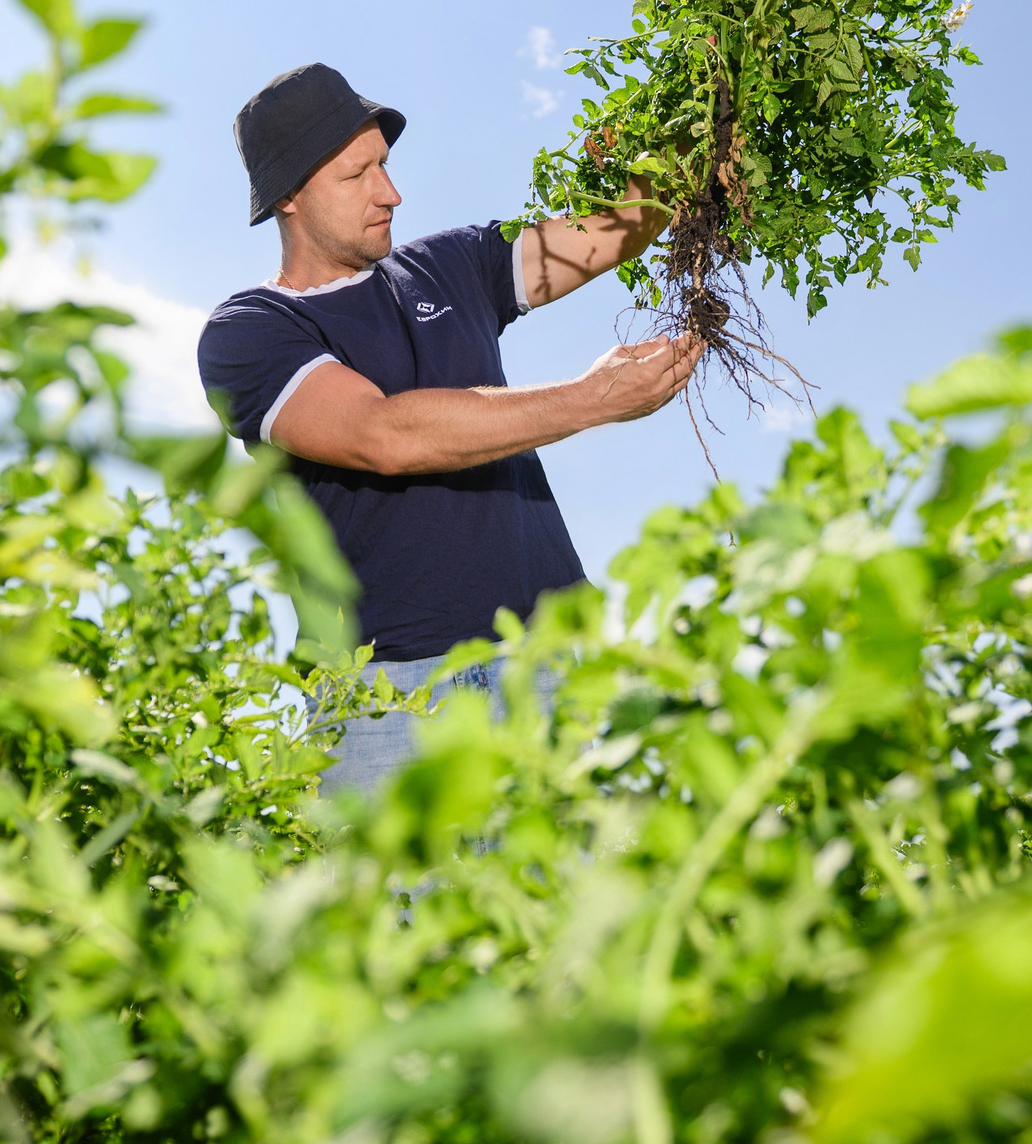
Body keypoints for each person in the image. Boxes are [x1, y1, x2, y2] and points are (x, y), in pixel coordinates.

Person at [195, 62, 699, 791]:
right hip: (390, 703)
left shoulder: (455, 264)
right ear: (288, 199)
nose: (390, 192)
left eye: (386, 166)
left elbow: (611, 234)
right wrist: (592, 398)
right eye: (357, 175)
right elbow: (384, 435)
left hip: (556, 666)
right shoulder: (251, 332)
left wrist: (684, 122)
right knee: (404, 909)